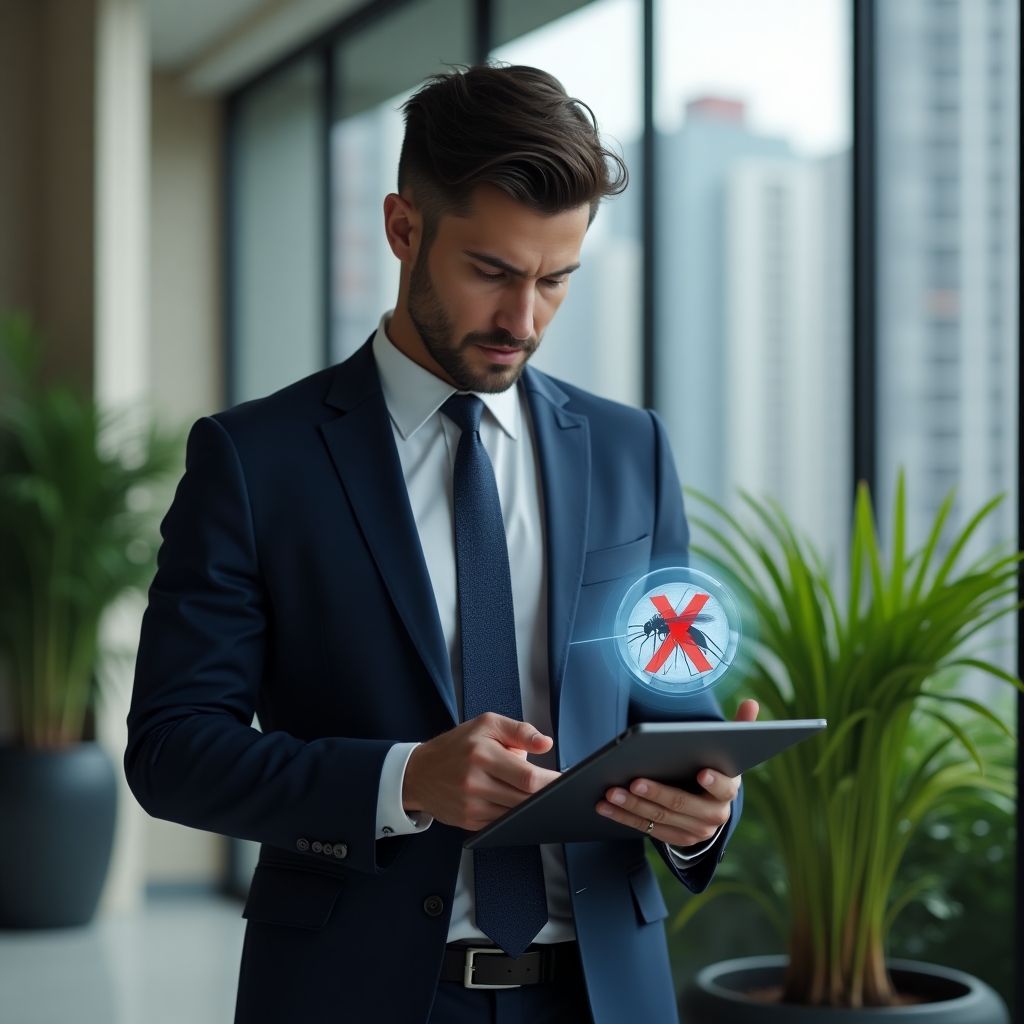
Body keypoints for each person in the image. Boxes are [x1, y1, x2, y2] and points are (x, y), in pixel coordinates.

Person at [126, 64, 757, 1024]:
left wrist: (702, 812)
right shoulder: (256, 461)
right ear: (402, 228)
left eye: (556, 281)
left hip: (603, 996)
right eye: (493, 273)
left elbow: (672, 701)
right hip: (357, 991)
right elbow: (173, 751)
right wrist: (403, 778)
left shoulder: (635, 451)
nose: (523, 321)